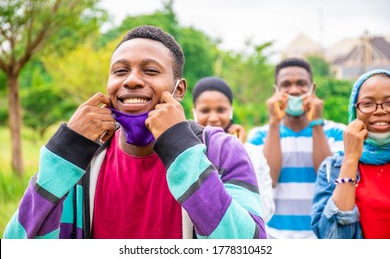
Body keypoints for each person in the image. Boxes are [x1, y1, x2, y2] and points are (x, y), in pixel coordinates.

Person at [3, 25, 266, 239]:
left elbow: (249, 246)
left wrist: (179, 146)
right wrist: (65, 151)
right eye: (120, 71)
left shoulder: (222, 151)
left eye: (150, 70)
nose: (131, 80)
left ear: (179, 90)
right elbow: (17, 245)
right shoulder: (79, 161)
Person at [246, 57, 346, 238]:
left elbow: (330, 180)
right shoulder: (259, 136)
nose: (294, 91)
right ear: (275, 91)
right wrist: (274, 122)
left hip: (321, 238)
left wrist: (316, 123)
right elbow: (269, 180)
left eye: (301, 84)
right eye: (286, 85)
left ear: (312, 89)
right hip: (274, 238)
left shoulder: (337, 133)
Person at [311, 69, 390, 239]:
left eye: (389, 102)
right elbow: (333, 239)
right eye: (367, 103)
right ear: (354, 111)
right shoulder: (332, 168)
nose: (380, 110)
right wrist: (350, 159)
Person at [192, 76, 275, 223]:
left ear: (231, 111)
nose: (213, 118)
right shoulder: (187, 152)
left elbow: (265, 209)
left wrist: (237, 152)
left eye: (221, 110)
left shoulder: (252, 152)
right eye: (205, 110)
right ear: (194, 113)